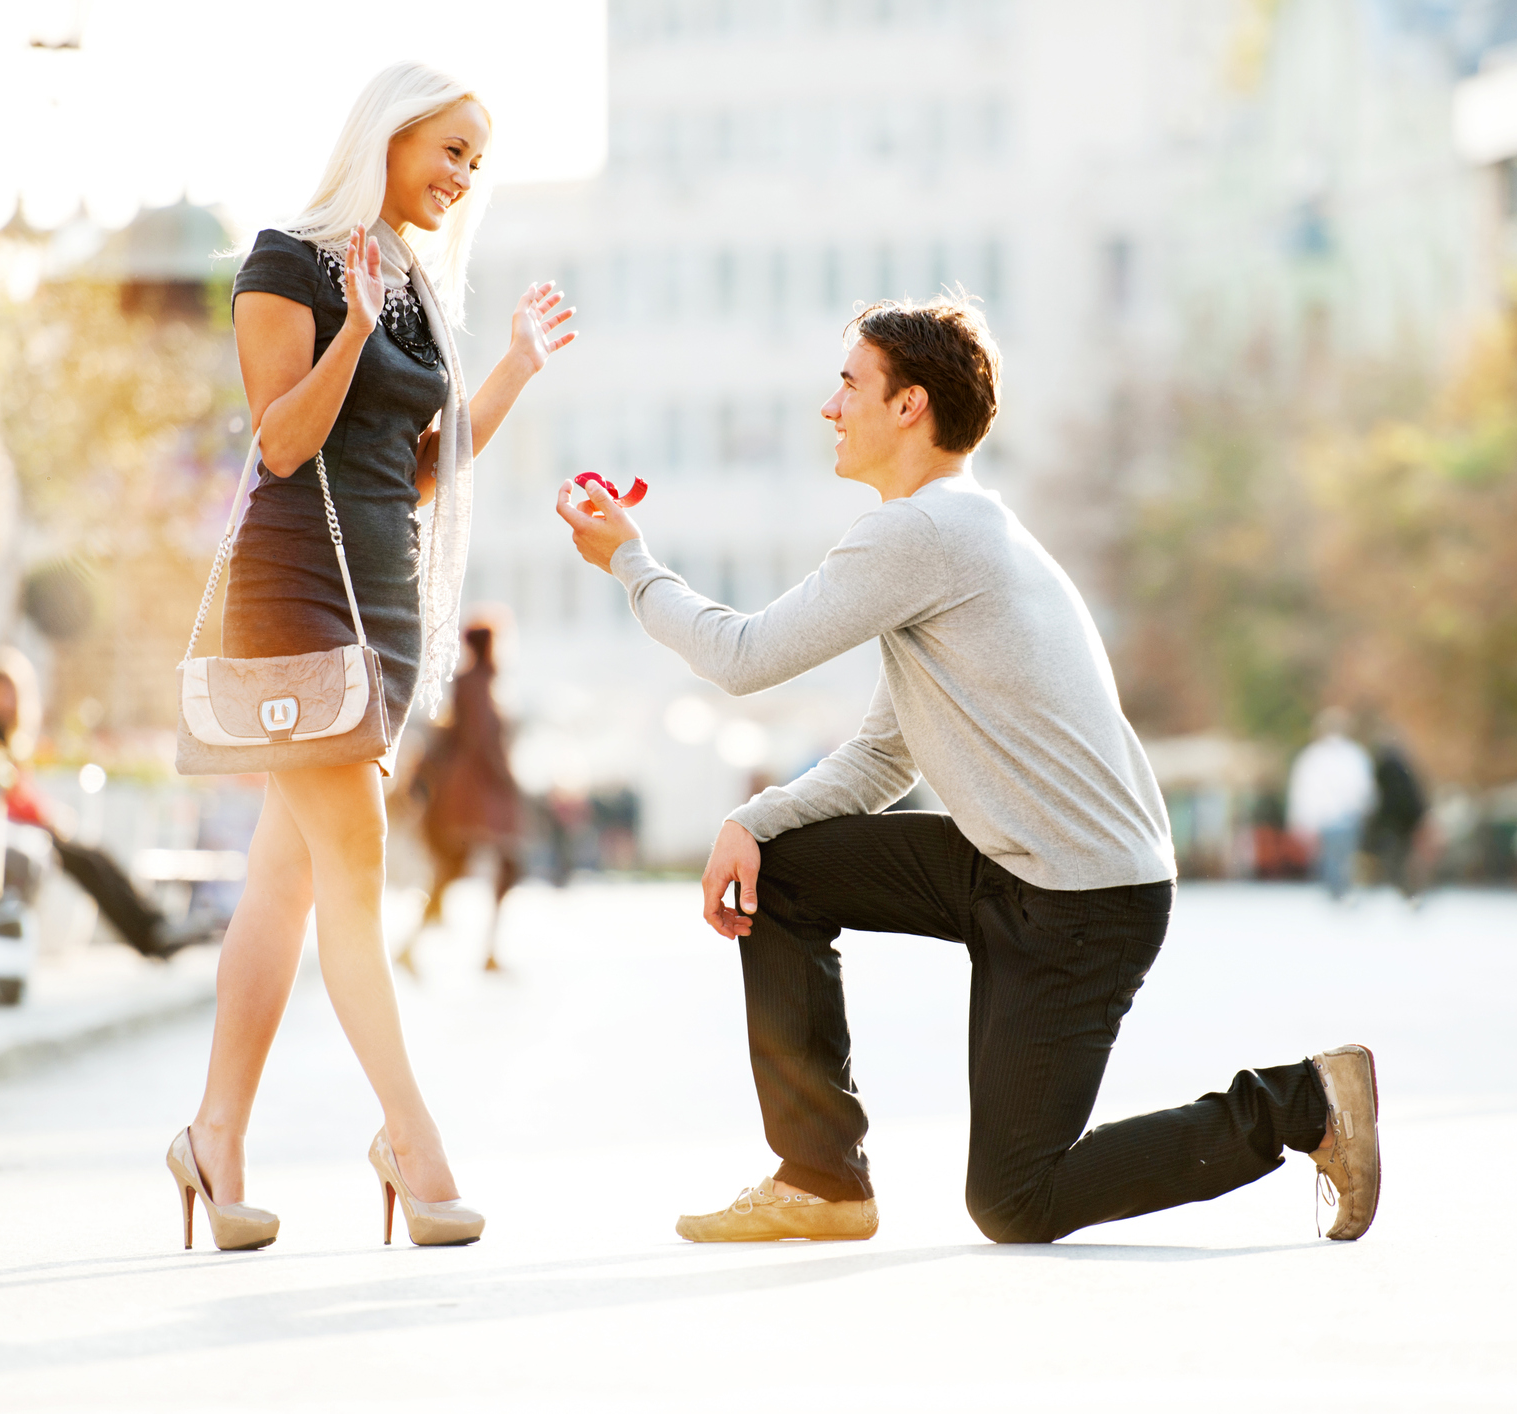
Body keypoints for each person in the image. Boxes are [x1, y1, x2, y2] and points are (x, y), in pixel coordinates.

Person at [556, 295, 1381, 1246]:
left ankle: (1302, 1105)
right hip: (1014, 867)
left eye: (848, 384)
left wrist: (632, 564)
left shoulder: (923, 532)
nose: (830, 408)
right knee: (777, 871)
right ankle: (821, 1182)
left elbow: (743, 658)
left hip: (1084, 900)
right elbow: (881, 756)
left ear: (909, 406)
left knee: (1015, 1200)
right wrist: (755, 822)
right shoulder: (947, 535)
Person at [170, 61, 576, 1253]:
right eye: (449, 149)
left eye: (476, 162)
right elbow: (284, 439)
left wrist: (508, 367)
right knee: (354, 867)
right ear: (388, 138)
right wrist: (348, 328)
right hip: (297, 598)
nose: (462, 177)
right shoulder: (291, 261)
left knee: (287, 884)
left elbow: (429, 467)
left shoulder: (413, 287)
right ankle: (412, 1137)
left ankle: (214, 1137)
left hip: (385, 612)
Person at [0, 652, 216, 960]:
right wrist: (47, 818)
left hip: (26, 828)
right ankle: (151, 935)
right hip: (7, 831)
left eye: (11, 691)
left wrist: (49, 815)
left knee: (96, 856)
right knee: (89, 863)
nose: (6, 699)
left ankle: (155, 928)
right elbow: (4, 793)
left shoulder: (3, 735)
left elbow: (20, 789)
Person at [405, 622, 523, 973]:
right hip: (478, 793)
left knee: (459, 869)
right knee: (500, 866)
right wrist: (509, 781)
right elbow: (483, 741)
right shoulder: (478, 683)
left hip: (470, 791)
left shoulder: (472, 682)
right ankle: (484, 951)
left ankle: (415, 947)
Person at [1287, 707, 1376, 901]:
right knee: (1344, 859)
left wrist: (1301, 820)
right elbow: (1364, 790)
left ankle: (1334, 894)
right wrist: (1365, 810)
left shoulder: (1312, 756)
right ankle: (1341, 892)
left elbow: (1304, 792)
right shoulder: (1355, 755)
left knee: (1329, 860)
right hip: (1348, 818)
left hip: (1325, 819)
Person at [1366, 731, 1427, 900]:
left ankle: (1402, 889)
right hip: (1407, 820)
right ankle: (1408, 891)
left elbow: (1385, 798)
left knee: (1391, 857)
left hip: (1394, 822)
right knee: (1403, 858)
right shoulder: (1405, 767)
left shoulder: (1385, 768)